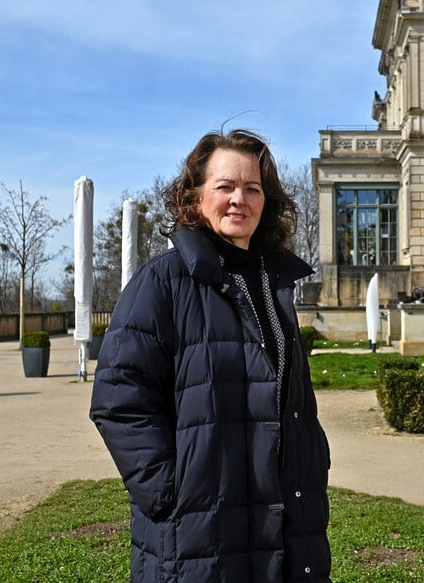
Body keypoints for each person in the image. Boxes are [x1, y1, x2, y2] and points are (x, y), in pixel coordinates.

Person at [90, 129, 332, 582]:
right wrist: (171, 494)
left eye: (252, 188)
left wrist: (313, 461)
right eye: (225, 186)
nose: (239, 199)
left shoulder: (274, 285)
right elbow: (118, 400)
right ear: (195, 197)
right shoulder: (163, 282)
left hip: (283, 521)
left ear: (268, 201)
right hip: (201, 532)